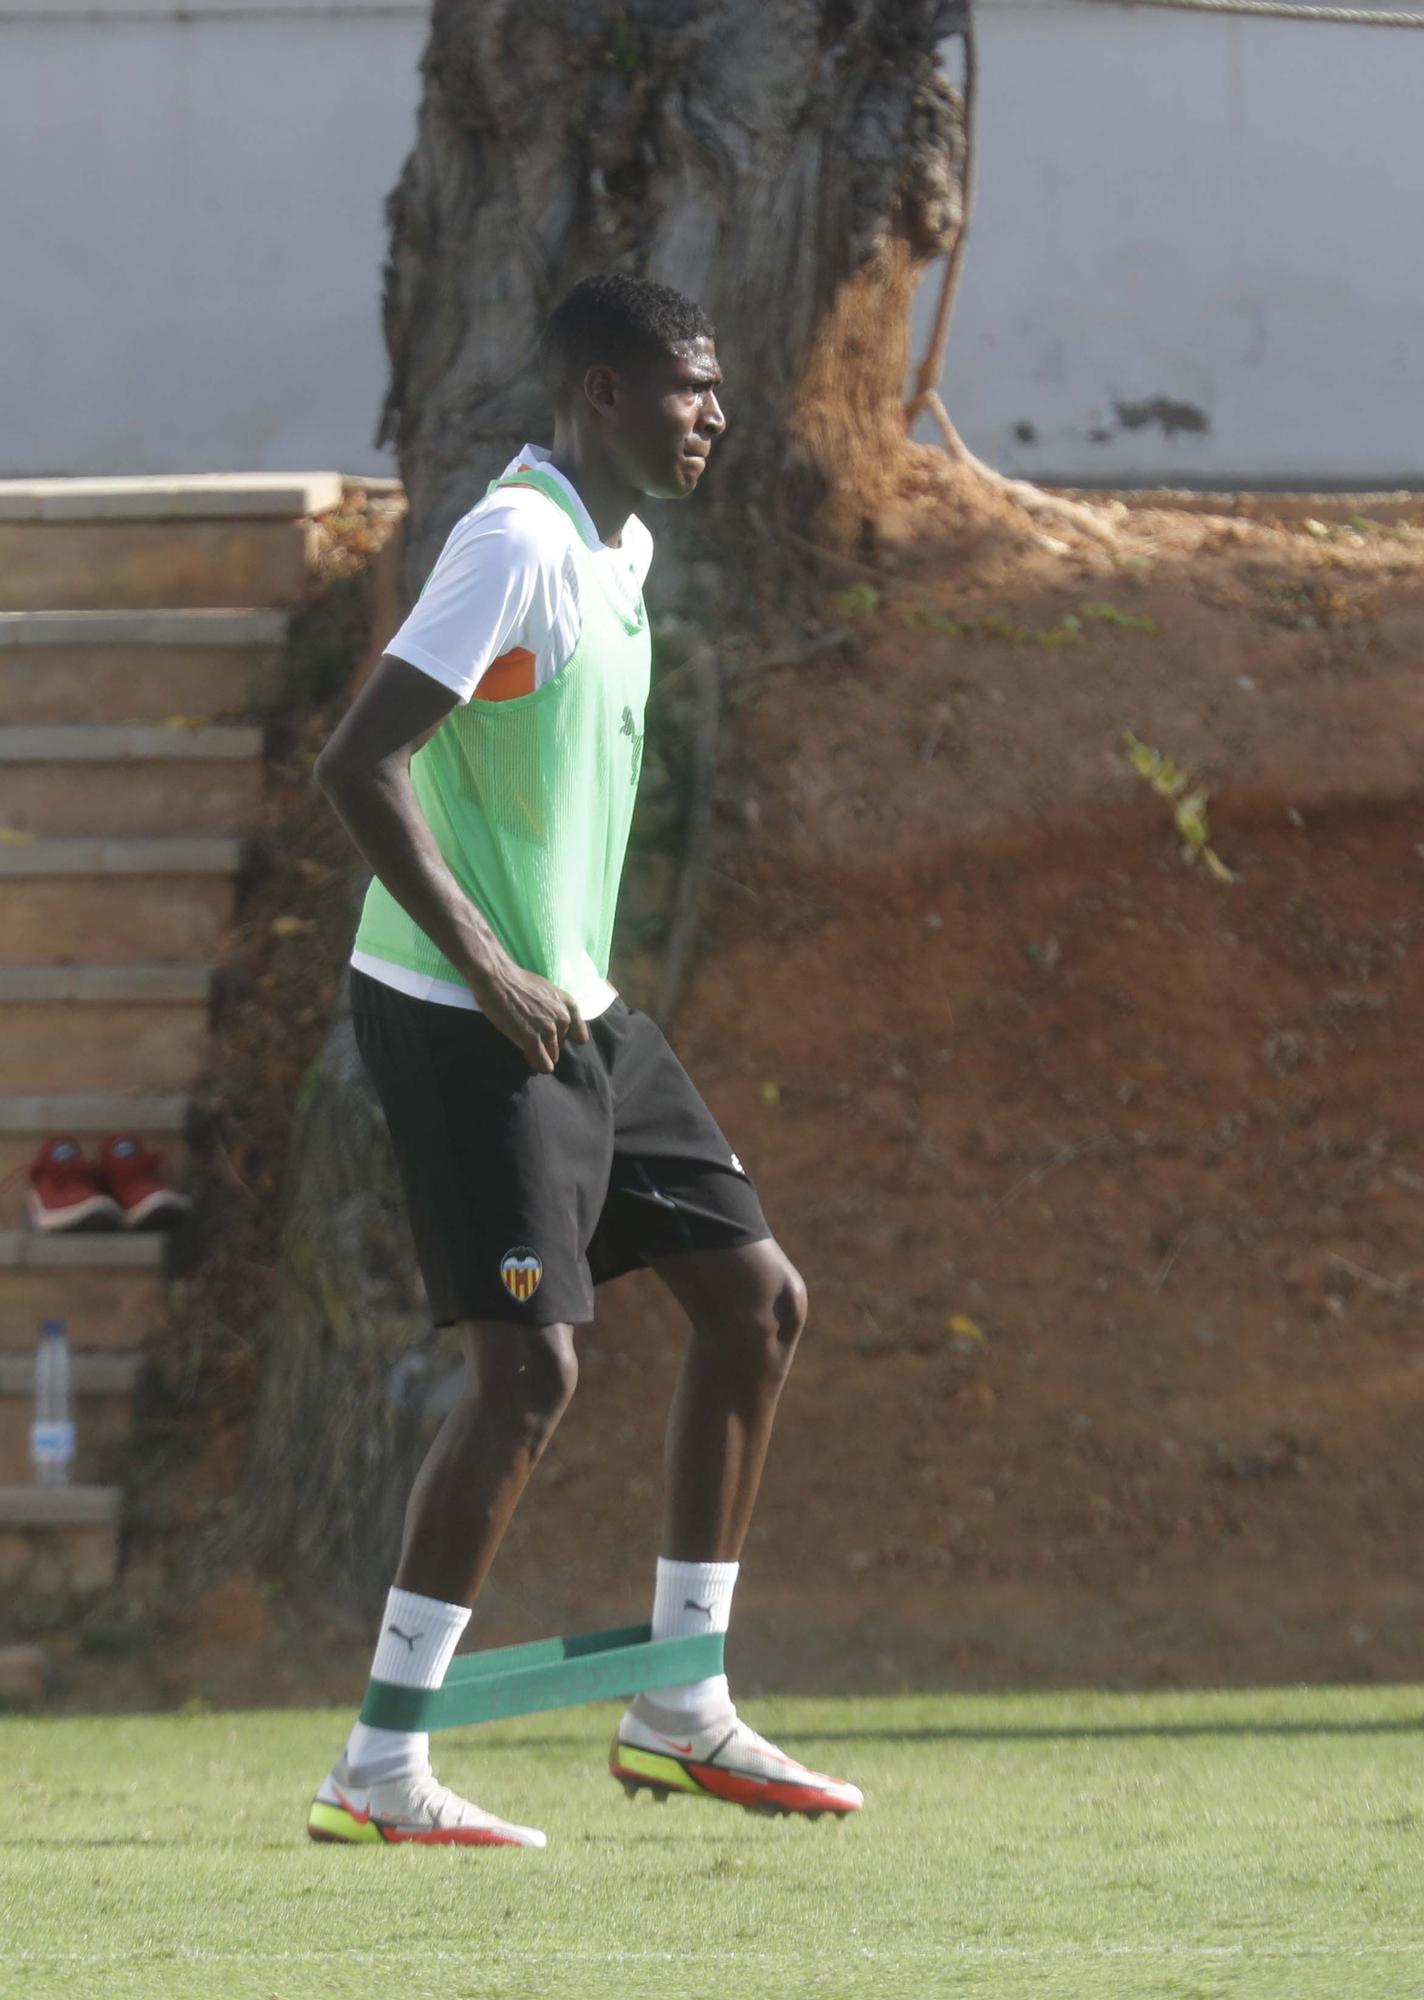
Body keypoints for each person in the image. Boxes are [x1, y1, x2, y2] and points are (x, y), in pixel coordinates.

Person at [307, 274, 861, 1847]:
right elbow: (359, 760)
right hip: (454, 1005)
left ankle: (681, 1708)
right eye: (690, 386)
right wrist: (483, 964)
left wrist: (540, 974)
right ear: (602, 395)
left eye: (719, 388)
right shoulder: (521, 544)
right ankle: (383, 1766)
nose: (717, 413)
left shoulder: (624, 546)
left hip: (578, 1004)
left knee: (760, 1306)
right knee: (530, 1372)